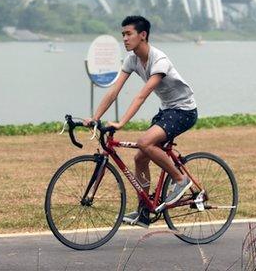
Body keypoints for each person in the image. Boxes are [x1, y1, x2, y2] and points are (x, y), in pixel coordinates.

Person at [85, 15, 199, 228]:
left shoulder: (159, 60)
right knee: (139, 157)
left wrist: (121, 123)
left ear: (143, 35)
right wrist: (95, 117)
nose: (125, 39)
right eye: (123, 35)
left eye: (128, 34)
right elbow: (114, 91)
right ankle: (144, 211)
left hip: (184, 111)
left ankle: (181, 179)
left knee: (145, 142)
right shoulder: (132, 60)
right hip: (167, 110)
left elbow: (142, 95)